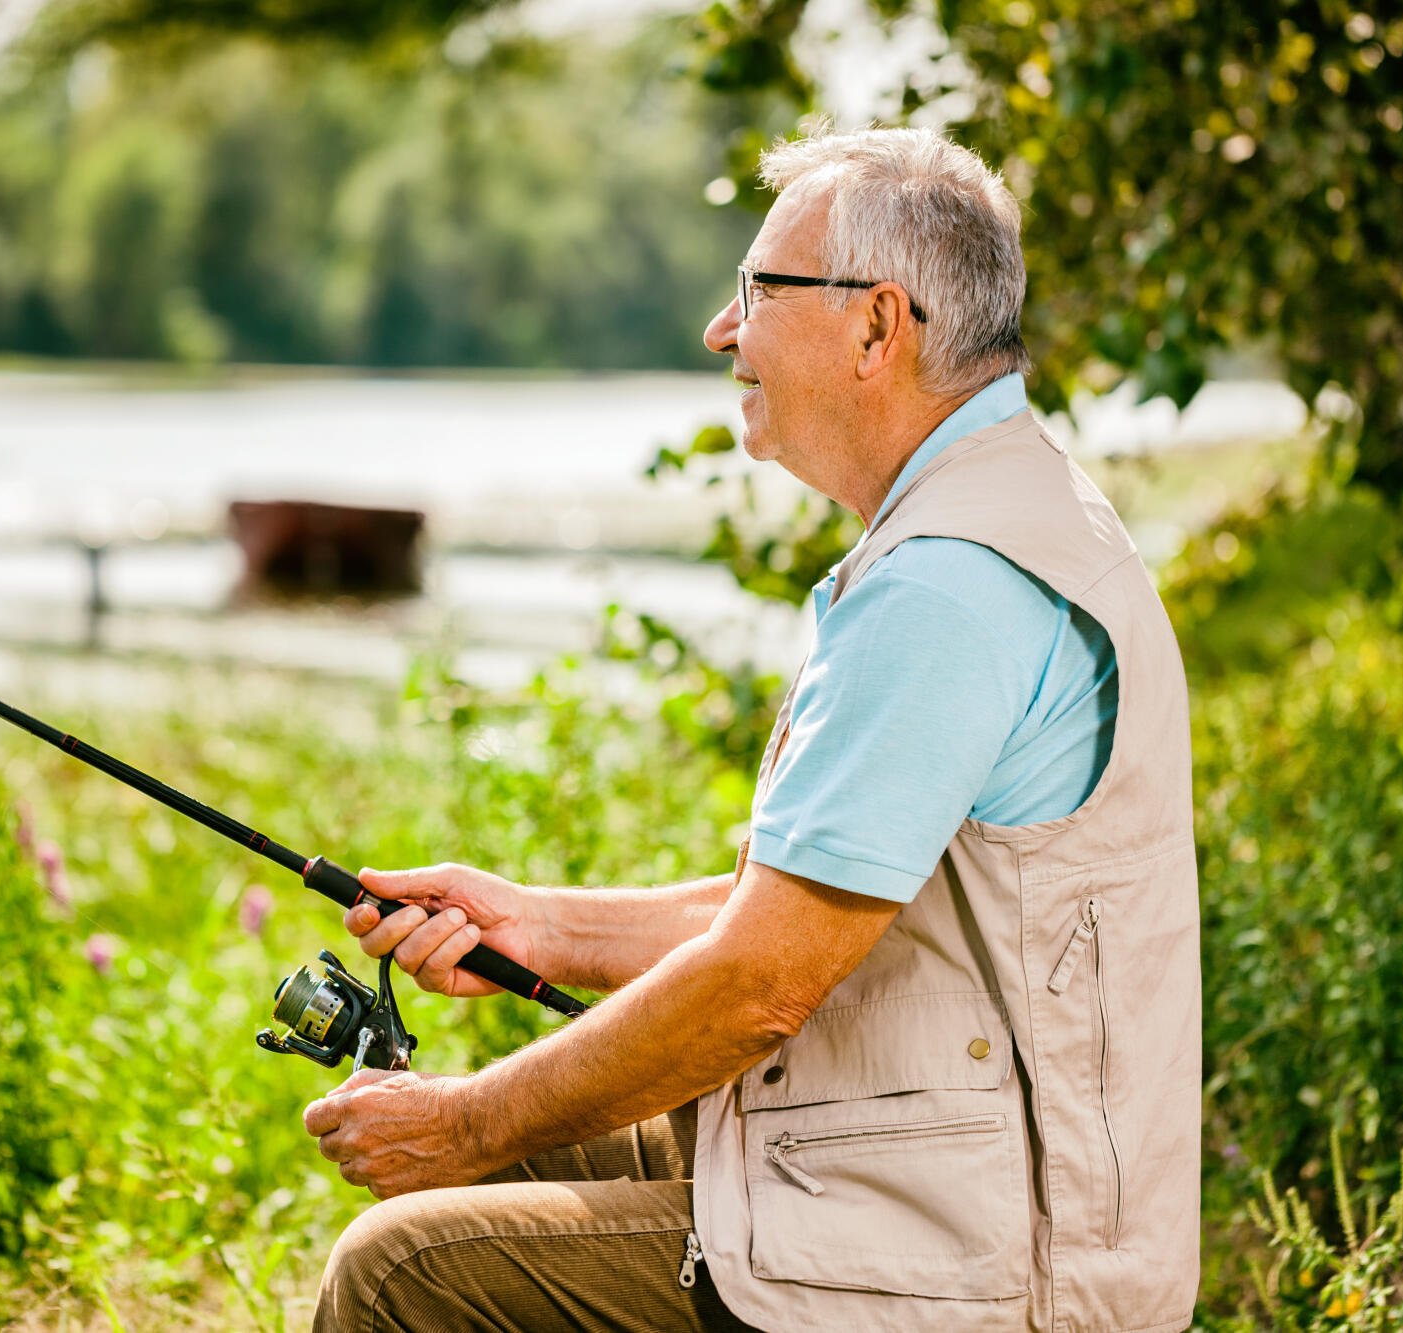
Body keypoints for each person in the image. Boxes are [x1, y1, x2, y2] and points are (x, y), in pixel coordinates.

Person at [301, 125, 1201, 1332]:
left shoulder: (946, 588)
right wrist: (541, 925)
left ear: (876, 328)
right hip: (945, 1211)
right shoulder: (1004, 512)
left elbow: (756, 986)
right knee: (503, 1169)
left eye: (755, 292)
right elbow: (814, 916)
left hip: (974, 1274)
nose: (722, 331)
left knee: (400, 1272)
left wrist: (466, 1118)